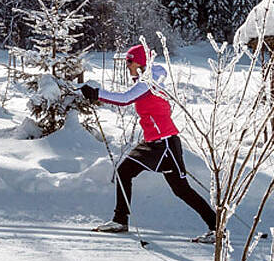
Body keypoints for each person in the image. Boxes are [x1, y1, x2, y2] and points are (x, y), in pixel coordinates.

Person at [82, 44, 218, 243]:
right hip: (152, 143)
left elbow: (125, 99)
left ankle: (216, 227)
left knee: (182, 190)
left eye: (129, 62)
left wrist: (97, 94)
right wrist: (96, 95)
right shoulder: (145, 81)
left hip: (165, 144)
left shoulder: (151, 81)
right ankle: (120, 220)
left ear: (141, 63)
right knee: (124, 172)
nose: (127, 66)